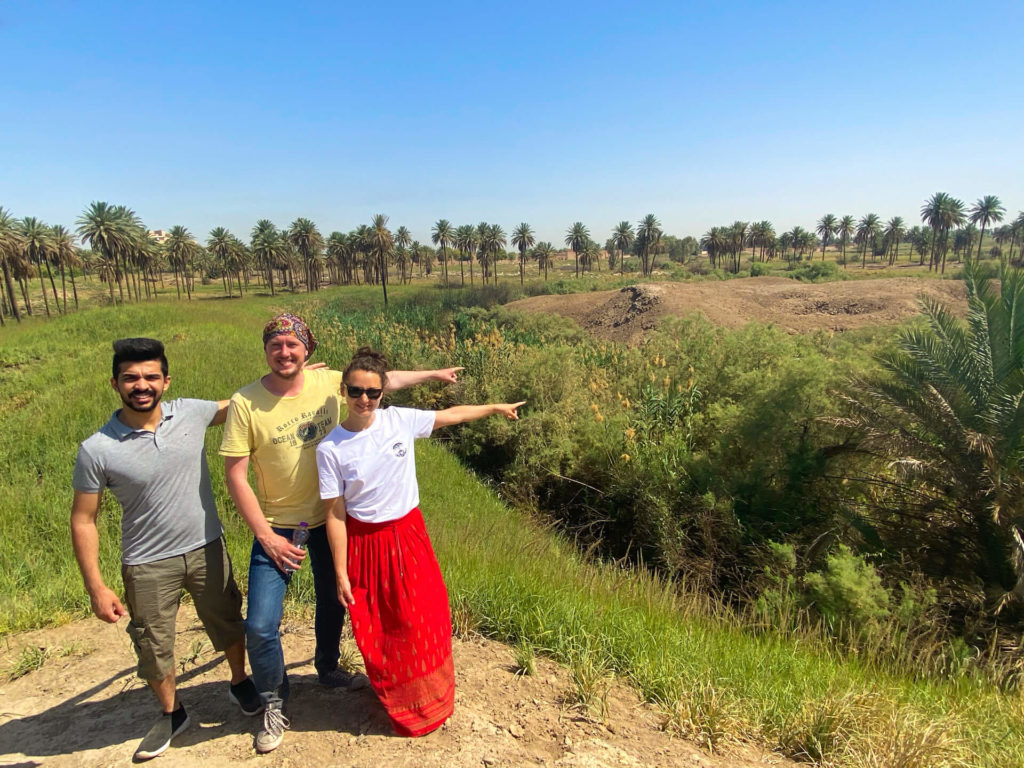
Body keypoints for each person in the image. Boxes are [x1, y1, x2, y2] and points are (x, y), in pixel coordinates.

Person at [220, 313, 460, 753]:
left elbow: (384, 380)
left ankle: (327, 667)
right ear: (265, 350)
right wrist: (267, 537)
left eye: (293, 345)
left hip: (336, 521)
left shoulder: (328, 381)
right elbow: (235, 477)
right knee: (260, 623)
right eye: (276, 345)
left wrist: (433, 373)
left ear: (305, 349)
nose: (285, 352)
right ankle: (274, 700)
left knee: (334, 599)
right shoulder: (245, 402)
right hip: (281, 526)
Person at [70, 338, 264, 762]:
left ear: (165, 380)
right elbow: (83, 519)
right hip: (146, 563)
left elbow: (240, 403)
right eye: (131, 378)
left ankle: (238, 680)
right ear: (115, 383)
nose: (142, 385)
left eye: (150, 377)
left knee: (228, 620)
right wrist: (96, 588)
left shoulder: (189, 412)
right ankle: (172, 712)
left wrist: (290, 379)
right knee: (154, 646)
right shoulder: (96, 449)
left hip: (206, 548)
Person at [315, 347, 524, 736]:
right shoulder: (330, 448)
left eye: (372, 392)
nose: (364, 399)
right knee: (381, 625)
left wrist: (494, 408)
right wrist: (341, 572)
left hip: (409, 534)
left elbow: (452, 415)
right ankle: (398, 702)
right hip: (368, 543)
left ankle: (432, 698)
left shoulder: (399, 421)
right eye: (356, 391)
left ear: (383, 394)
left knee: (425, 613)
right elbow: (335, 514)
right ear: (343, 390)